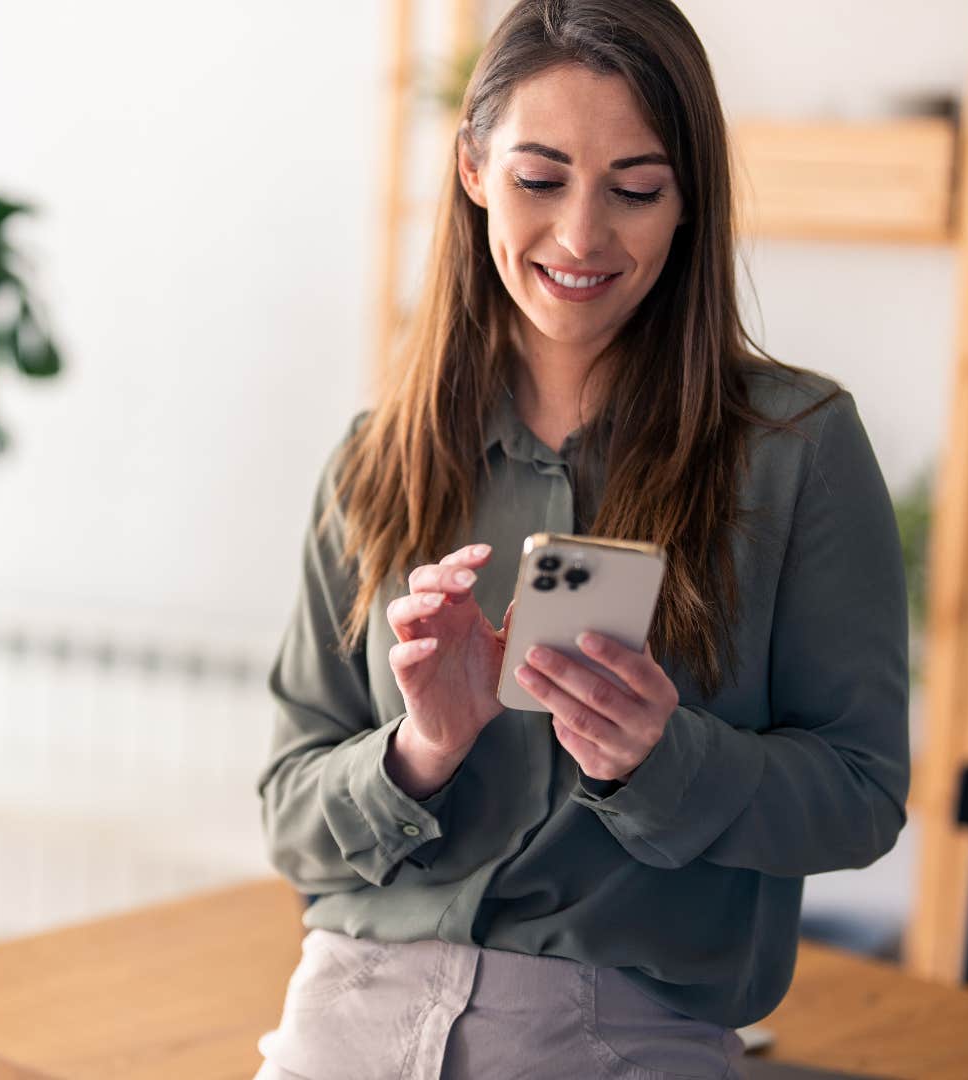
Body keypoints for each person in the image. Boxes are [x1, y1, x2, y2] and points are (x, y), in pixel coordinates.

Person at [253, 1, 909, 1076]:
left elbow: (861, 798)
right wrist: (421, 751)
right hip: (352, 1010)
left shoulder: (797, 450)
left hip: (615, 1035)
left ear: (689, 200)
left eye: (635, 190)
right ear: (473, 169)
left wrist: (662, 758)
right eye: (539, 179)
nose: (580, 237)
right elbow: (288, 810)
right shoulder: (378, 459)